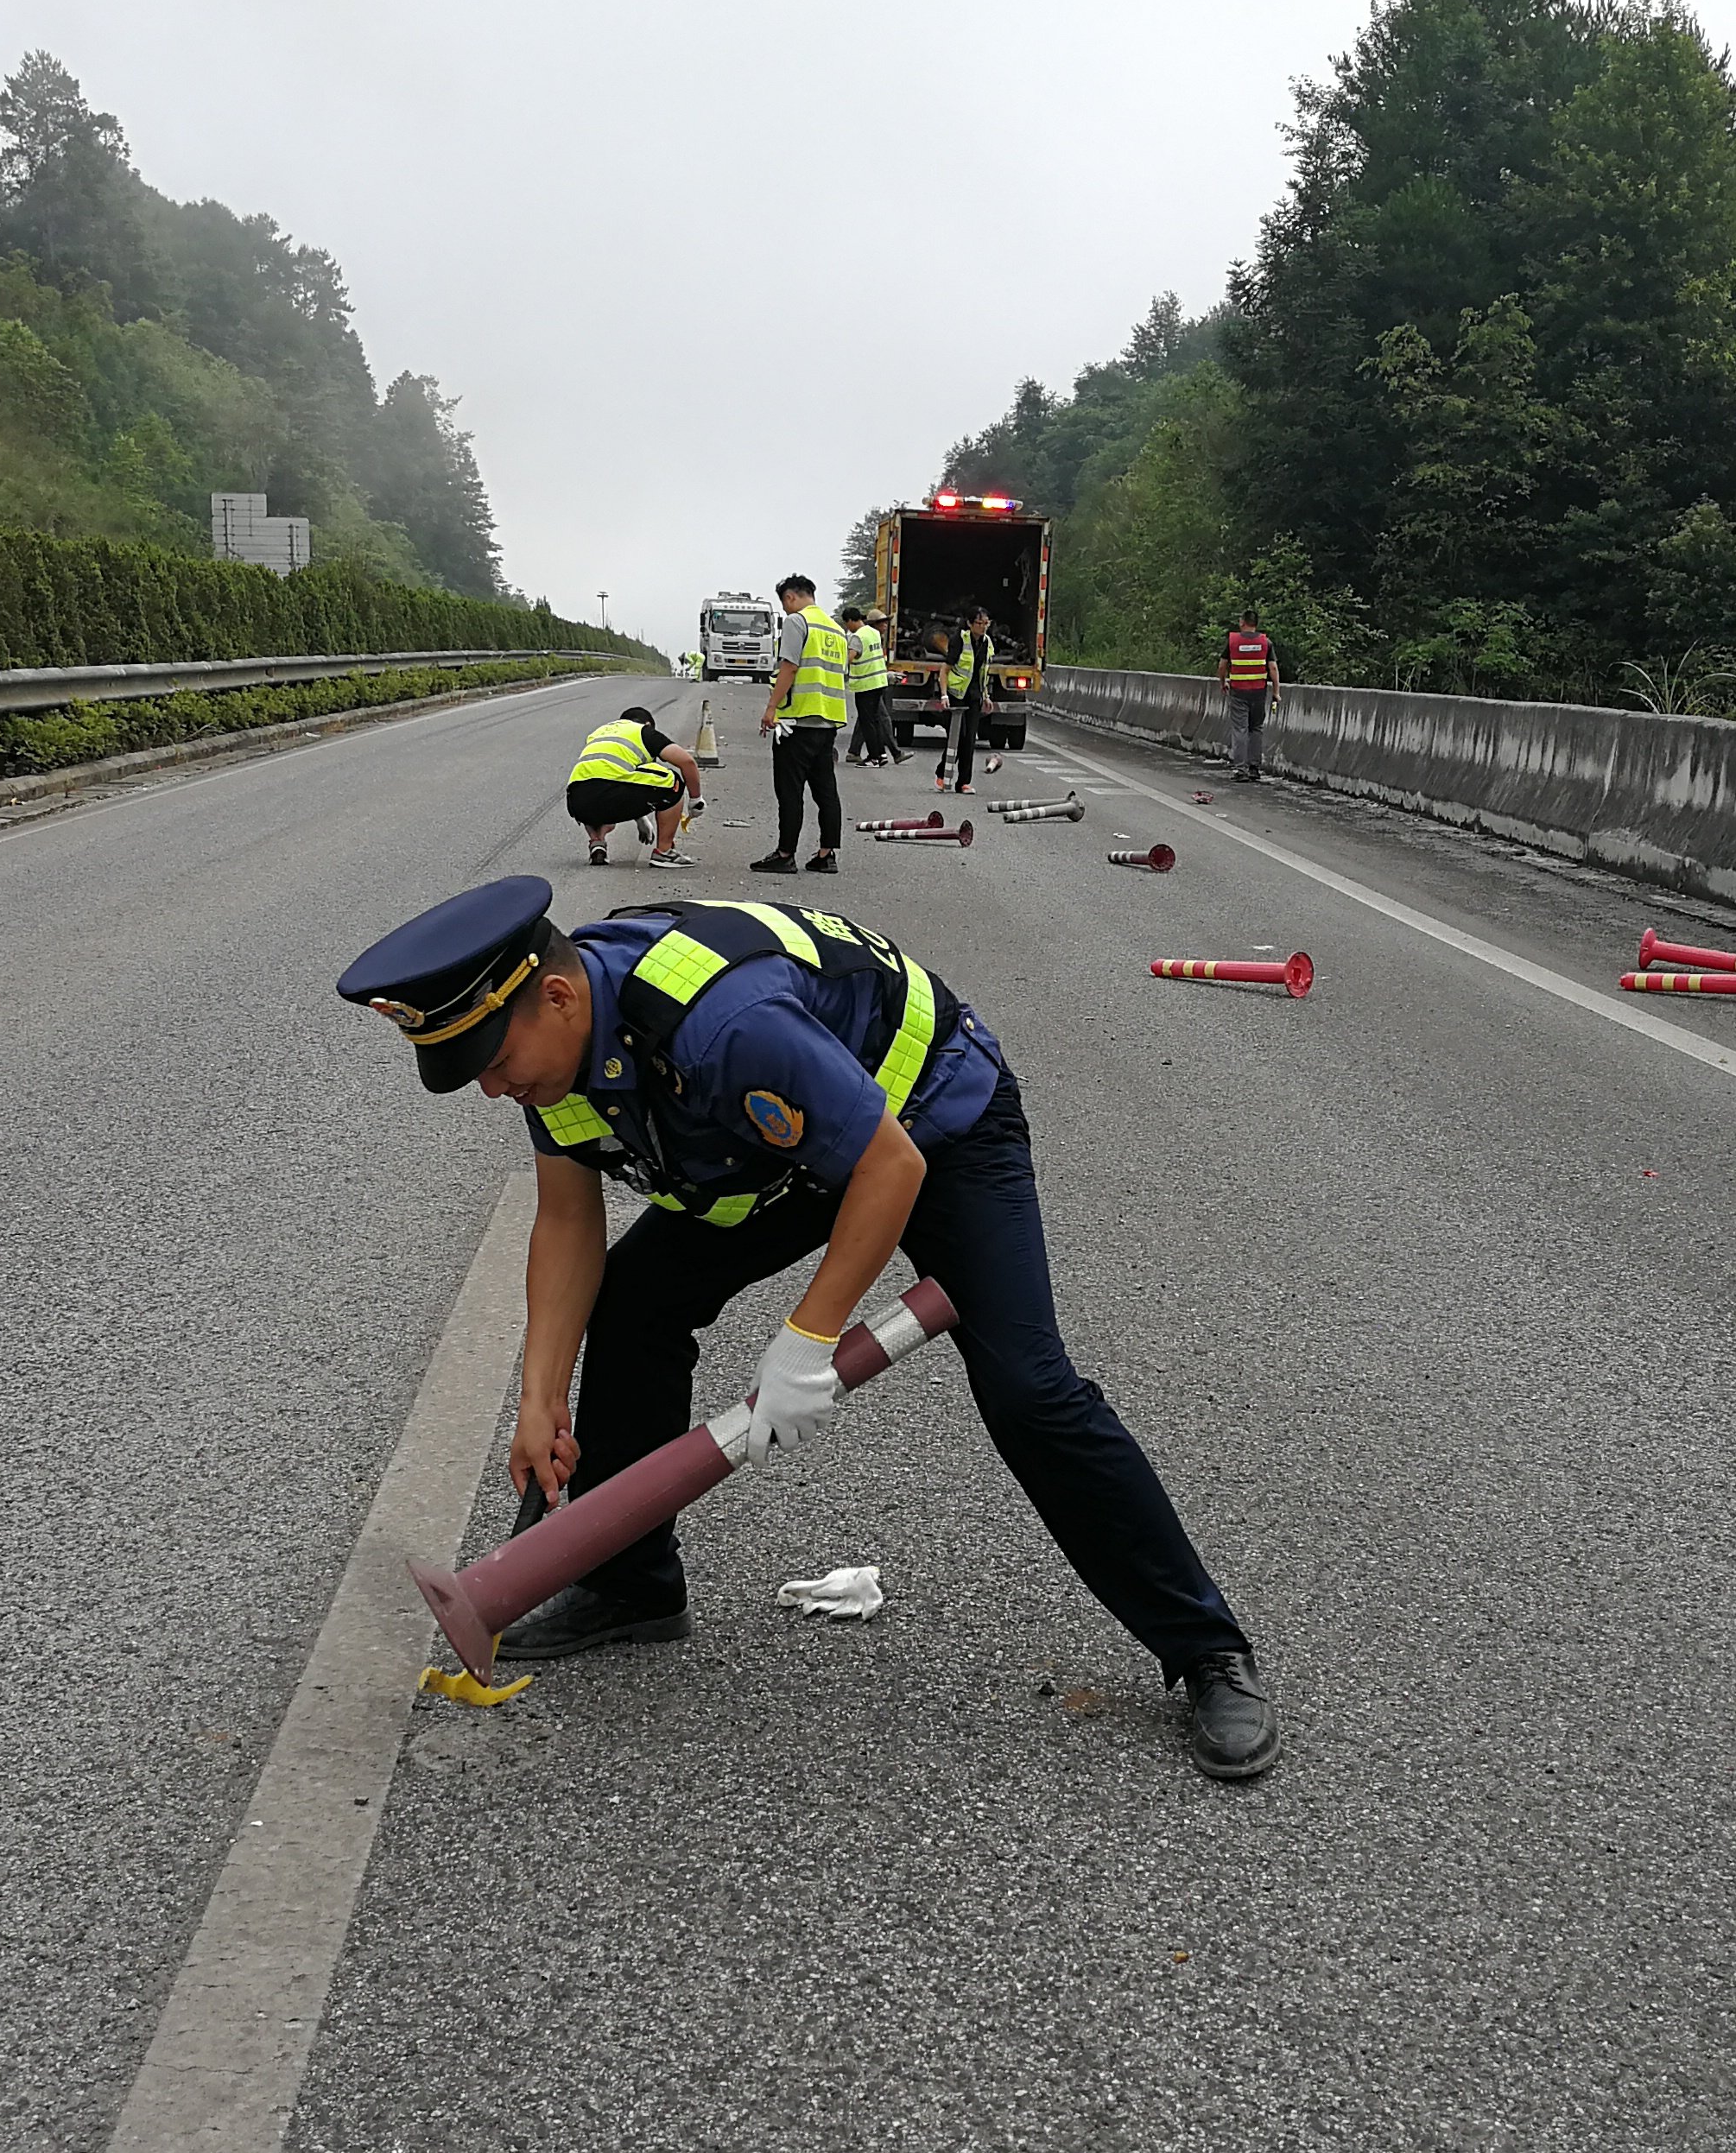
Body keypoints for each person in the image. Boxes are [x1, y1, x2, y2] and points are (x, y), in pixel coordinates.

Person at [333, 877, 1281, 1782]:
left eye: (495, 1064)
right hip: (782, 1154)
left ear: (554, 996)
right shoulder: (556, 1056)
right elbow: (569, 1221)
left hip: (932, 1128)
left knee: (1030, 1393)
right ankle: (631, 1586)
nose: (495, 1091)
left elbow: (888, 1166)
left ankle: (1206, 1652)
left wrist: (807, 1339)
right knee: (634, 1300)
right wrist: (539, 1399)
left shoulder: (722, 1022)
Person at [756, 573, 850, 877]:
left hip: (797, 721)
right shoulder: (836, 629)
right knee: (826, 791)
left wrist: (771, 707)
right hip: (828, 721)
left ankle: (785, 854)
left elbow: (790, 667)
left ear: (791, 597)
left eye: (785, 603)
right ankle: (826, 854)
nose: (785, 609)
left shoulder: (798, 622)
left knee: (789, 790)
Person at [566, 706, 702, 869]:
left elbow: (614, 777)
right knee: (673, 781)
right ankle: (664, 852)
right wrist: (696, 799)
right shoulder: (643, 731)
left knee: (595, 790)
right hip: (611, 791)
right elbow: (686, 762)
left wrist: (641, 819)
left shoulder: (599, 733)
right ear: (648, 724)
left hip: (577, 801)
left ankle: (597, 841)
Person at [941, 607, 997, 795]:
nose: (983, 627)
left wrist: (986, 696)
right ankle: (942, 773)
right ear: (970, 624)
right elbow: (945, 670)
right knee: (957, 737)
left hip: (974, 695)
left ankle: (964, 782)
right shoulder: (960, 641)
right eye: (979, 624)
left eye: (986, 623)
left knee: (970, 739)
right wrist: (944, 695)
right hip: (956, 695)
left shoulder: (987, 642)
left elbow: (984, 673)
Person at [1220, 610, 1280, 781]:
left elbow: (1222, 665)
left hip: (1239, 693)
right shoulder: (1266, 642)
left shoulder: (1233, 642)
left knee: (1240, 729)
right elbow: (1273, 668)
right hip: (1259, 693)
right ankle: (1254, 768)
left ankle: (1241, 770)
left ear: (1242, 622)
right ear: (1256, 624)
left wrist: (1222, 682)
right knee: (1256, 729)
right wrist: (1276, 692)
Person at [841, 604, 904, 768]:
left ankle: (873, 758)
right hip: (879, 683)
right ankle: (881, 755)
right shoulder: (874, 633)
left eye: (846, 624)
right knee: (875, 720)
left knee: (867, 721)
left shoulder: (857, 637)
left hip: (865, 684)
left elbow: (849, 658)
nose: (847, 628)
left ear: (850, 621)